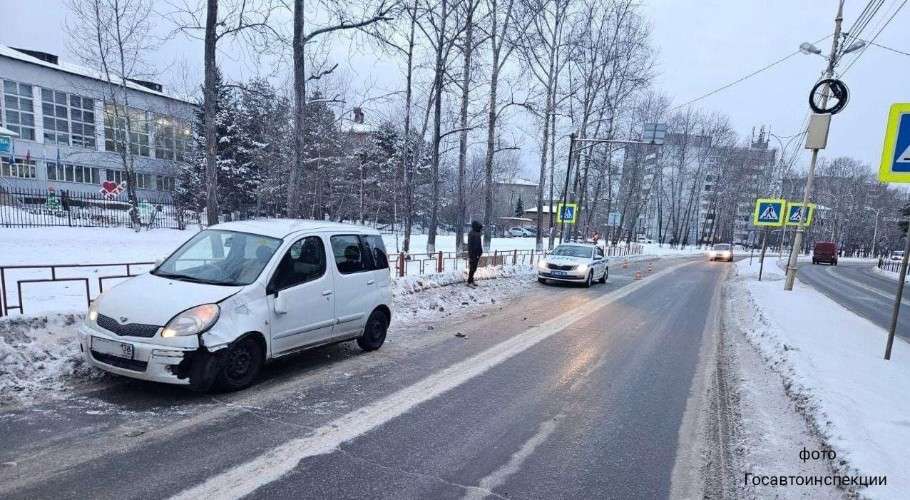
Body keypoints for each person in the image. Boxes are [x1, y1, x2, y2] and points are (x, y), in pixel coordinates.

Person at [467, 220, 483, 286]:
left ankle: (471, 280)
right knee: (472, 267)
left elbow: (479, 244)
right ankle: (469, 281)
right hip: (473, 253)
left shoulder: (476, 233)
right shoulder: (473, 233)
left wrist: (480, 251)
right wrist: (473, 253)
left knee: (474, 267)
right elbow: (471, 245)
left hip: (476, 253)